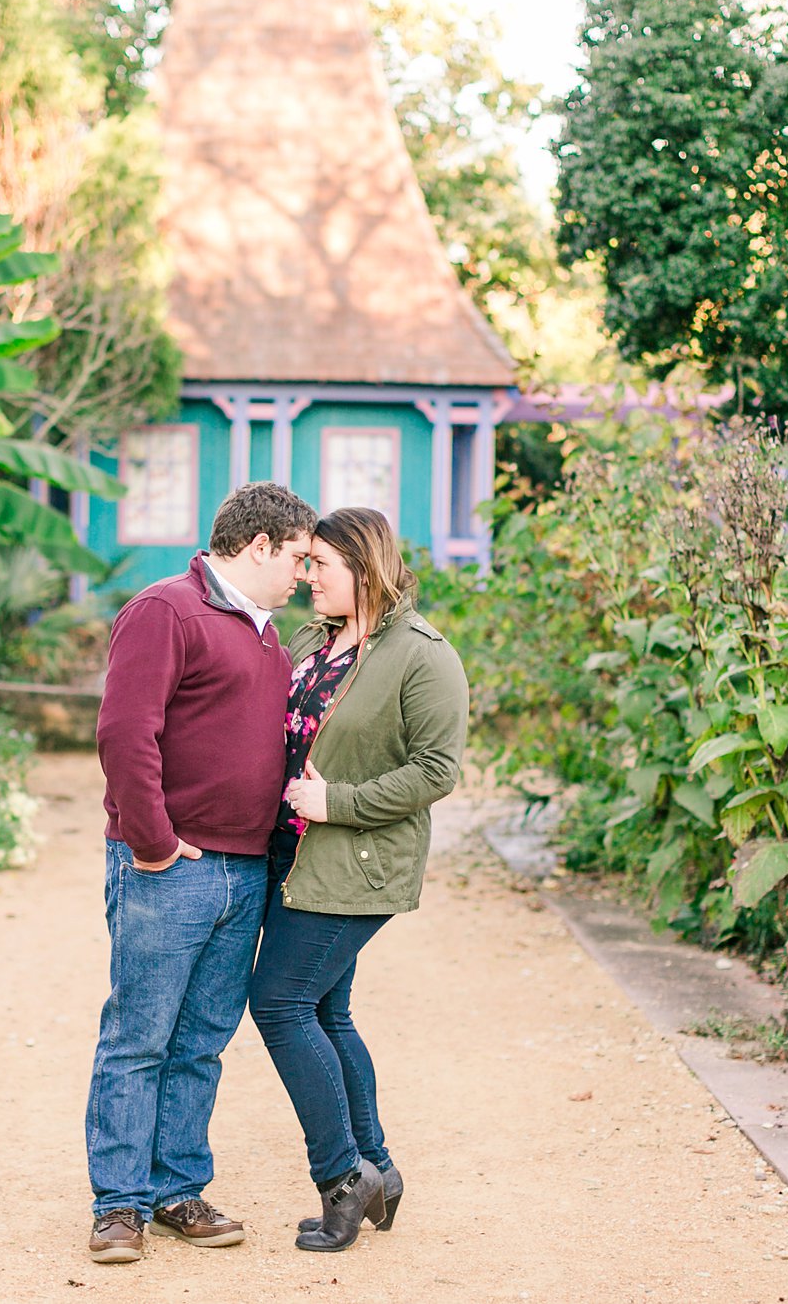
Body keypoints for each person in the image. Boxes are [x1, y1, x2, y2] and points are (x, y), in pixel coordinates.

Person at [85, 482, 318, 1265]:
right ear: (258, 545)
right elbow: (124, 731)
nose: (303, 573)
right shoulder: (167, 610)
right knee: (139, 1036)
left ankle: (177, 1188)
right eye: (295, 557)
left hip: (243, 872)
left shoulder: (269, 635)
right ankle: (118, 1205)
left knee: (200, 1044)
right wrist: (151, 841)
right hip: (169, 867)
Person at [249, 506, 469, 1252]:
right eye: (305, 563)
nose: (307, 576)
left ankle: (343, 1177)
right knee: (325, 1012)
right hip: (296, 853)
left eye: (322, 565)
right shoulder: (313, 638)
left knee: (278, 1001)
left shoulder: (423, 654)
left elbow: (437, 770)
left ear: (365, 569)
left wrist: (334, 800)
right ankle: (379, 1169)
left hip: (357, 860)